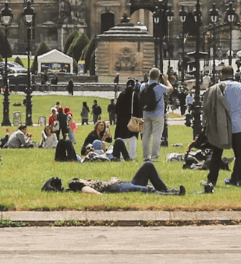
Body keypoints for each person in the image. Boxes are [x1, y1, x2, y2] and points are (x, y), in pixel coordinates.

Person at [51, 160, 185, 195]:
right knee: (147, 190)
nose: (87, 179)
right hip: (118, 188)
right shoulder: (85, 188)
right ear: (79, 183)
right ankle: (172, 195)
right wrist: (111, 182)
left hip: (123, 184)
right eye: (83, 179)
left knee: (148, 166)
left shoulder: (89, 184)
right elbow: (98, 195)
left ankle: (166, 190)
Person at [139, 69, 171, 162]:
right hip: (158, 113)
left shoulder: (143, 86)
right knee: (157, 135)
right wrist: (166, 80)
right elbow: (171, 89)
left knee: (146, 135)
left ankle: (146, 156)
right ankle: (154, 155)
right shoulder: (159, 87)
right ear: (158, 77)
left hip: (146, 113)